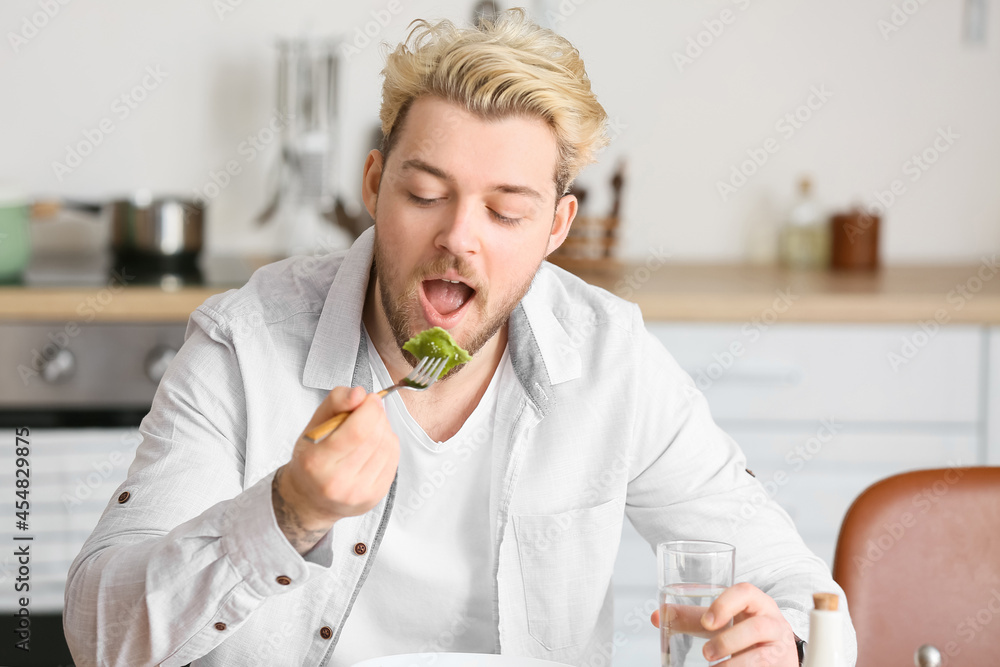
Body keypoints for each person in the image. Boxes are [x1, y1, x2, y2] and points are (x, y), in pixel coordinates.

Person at [65, 9, 857, 667]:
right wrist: (289, 511)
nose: (458, 238)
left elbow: (800, 589)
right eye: (424, 193)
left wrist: (779, 641)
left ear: (556, 226)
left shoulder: (611, 358)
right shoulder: (245, 345)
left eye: (506, 212)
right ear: (374, 187)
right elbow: (100, 633)